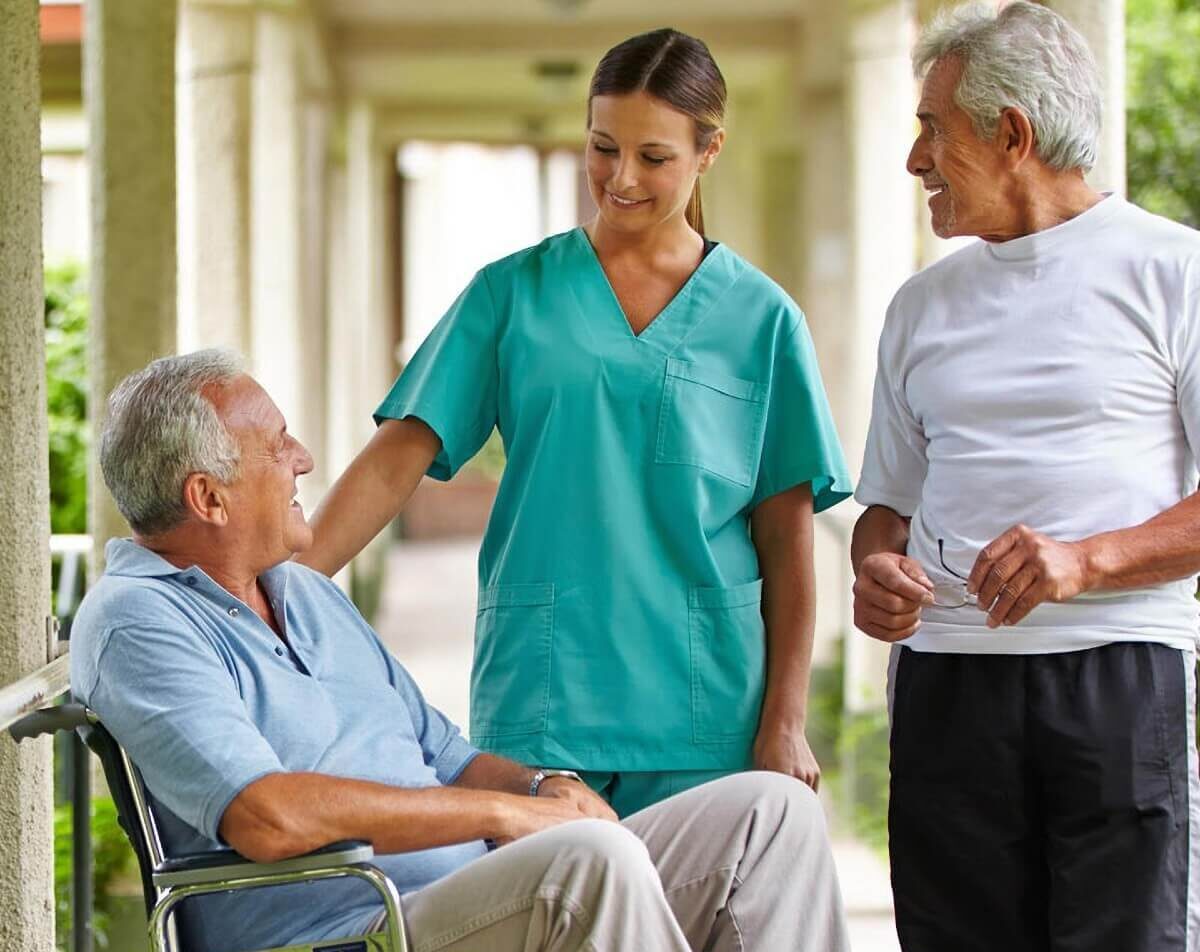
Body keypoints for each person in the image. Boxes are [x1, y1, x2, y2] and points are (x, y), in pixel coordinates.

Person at [70, 351, 850, 952]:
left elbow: (443, 753)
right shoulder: (139, 621)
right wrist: (505, 818)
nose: (304, 457)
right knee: (589, 865)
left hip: (468, 895)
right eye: (277, 447)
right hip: (353, 927)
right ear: (209, 497)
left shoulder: (300, 591)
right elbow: (265, 817)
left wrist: (545, 787)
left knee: (769, 813)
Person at [298, 28, 852, 818]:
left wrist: (785, 722)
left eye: (653, 157)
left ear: (709, 151)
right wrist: (283, 587)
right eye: (602, 147)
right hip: (545, 698)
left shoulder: (763, 320)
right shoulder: (512, 294)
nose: (620, 179)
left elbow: (786, 537)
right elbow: (400, 456)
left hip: (706, 708)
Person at [850, 3, 1200, 950]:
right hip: (946, 689)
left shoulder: (1175, 273)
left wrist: (1087, 561)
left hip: (1118, 679)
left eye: (932, 128)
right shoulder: (919, 308)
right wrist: (874, 571)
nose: (914, 160)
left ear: (1012, 134)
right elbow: (887, 504)